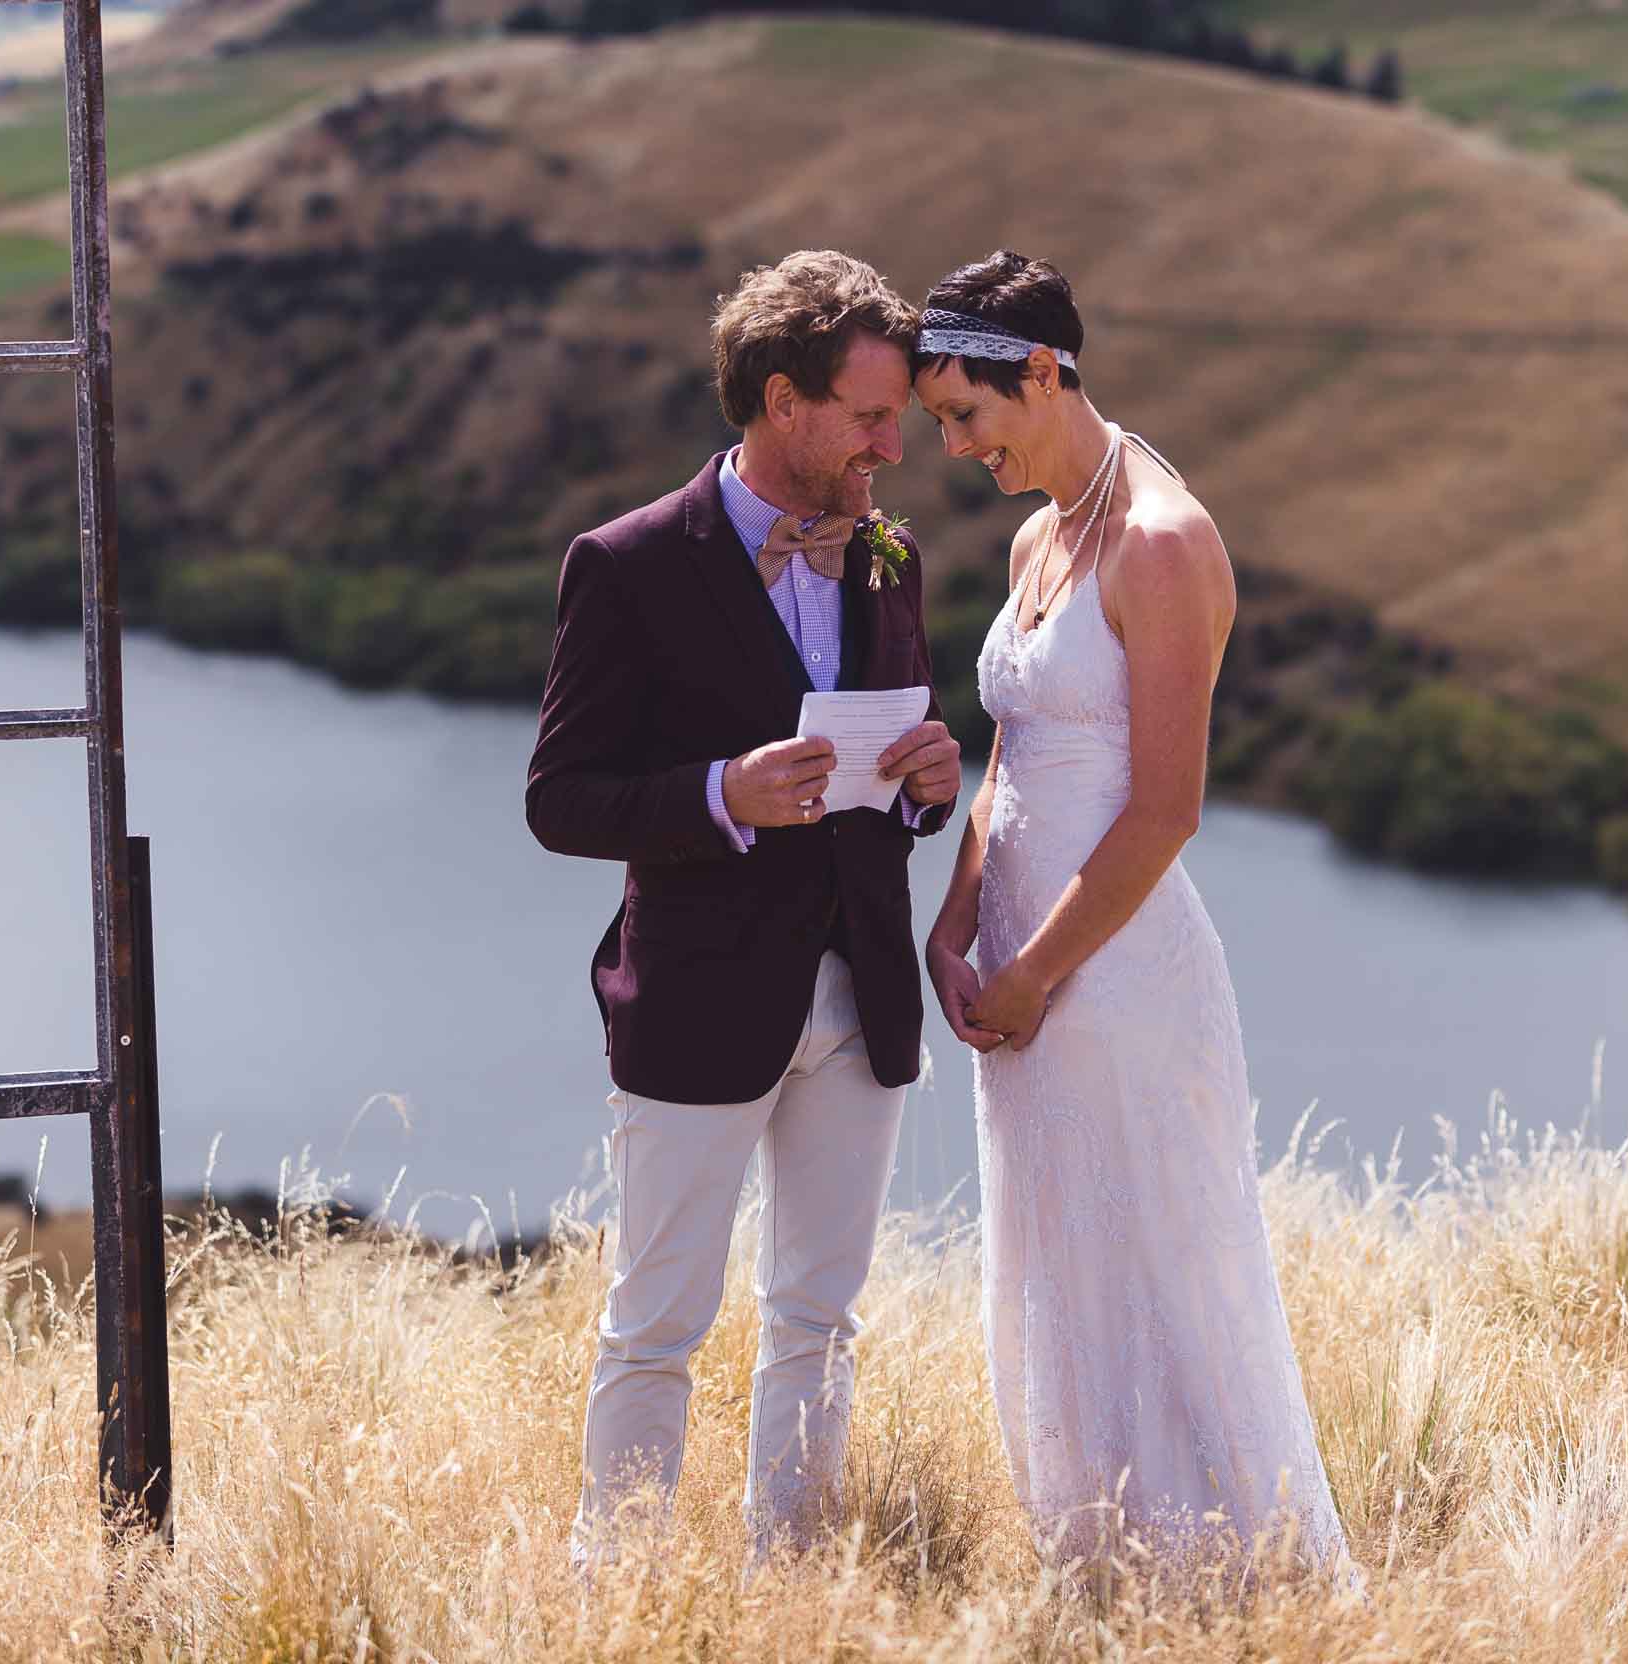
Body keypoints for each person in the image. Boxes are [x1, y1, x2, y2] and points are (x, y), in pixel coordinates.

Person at [912, 250, 1351, 1580]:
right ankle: (1097, 1561)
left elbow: (1163, 809)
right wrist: (956, 920)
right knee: (1058, 1263)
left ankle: (1231, 1576)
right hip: (1018, 962)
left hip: (1116, 970)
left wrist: (1036, 973)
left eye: (969, 414)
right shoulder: (1039, 535)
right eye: (939, 420)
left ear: (1042, 372)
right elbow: (1013, 756)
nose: (956, 444)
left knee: (1161, 1257)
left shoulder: (1163, 542)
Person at [526, 249, 963, 1560]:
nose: (897, 443)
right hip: (699, 998)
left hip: (862, 992)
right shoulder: (628, 564)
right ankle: (625, 1605)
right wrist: (725, 792)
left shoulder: (888, 558)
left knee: (820, 1320)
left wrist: (931, 779)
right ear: (787, 402)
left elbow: (894, 773)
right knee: (657, 1326)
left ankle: (794, 1592)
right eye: (873, 416)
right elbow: (562, 799)